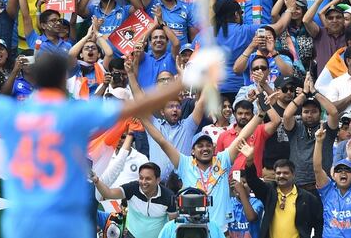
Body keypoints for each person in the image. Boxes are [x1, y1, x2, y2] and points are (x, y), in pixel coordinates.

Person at [0, 50, 199, 238]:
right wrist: (188, 78)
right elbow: (141, 104)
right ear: (63, 81)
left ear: (33, 79)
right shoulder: (75, 114)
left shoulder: (12, 113)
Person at [142, 98, 265, 233]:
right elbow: (162, 141)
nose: (205, 149)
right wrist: (142, 118)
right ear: (192, 151)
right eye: (200, 146)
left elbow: (242, 136)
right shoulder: (184, 163)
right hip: (192, 229)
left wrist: (260, 114)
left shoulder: (223, 159)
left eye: (208, 145)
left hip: (220, 229)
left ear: (213, 148)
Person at [245, 153, 323, 238]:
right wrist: (249, 162)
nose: (281, 176)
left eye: (286, 173)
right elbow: (253, 181)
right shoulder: (269, 192)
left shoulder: (307, 198)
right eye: (278, 173)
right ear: (274, 175)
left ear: (293, 175)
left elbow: (319, 222)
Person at [92, 162, 177, 238]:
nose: (143, 182)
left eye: (148, 179)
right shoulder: (132, 188)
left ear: (158, 180)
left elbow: (172, 225)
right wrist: (96, 181)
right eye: (141, 178)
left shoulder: (169, 197)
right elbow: (108, 193)